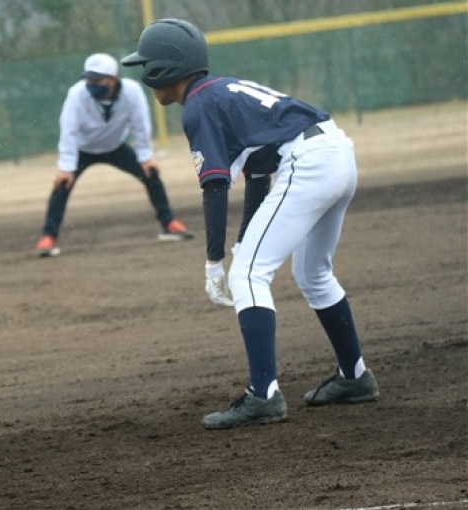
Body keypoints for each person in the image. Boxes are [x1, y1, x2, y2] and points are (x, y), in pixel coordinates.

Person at [121, 19, 379, 429]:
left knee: (247, 276)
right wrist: (243, 240)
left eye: (146, 65)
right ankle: (355, 377)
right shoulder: (220, 91)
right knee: (313, 273)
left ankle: (263, 396)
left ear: (164, 69)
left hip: (309, 164)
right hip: (336, 153)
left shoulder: (199, 105)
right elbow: (257, 173)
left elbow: (215, 186)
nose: (143, 75)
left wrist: (214, 261)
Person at [34, 52, 193, 257]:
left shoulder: (131, 92)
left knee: (151, 173)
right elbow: (68, 130)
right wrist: (66, 168)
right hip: (84, 149)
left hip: (115, 146)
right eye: (89, 79)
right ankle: (48, 237)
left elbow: (140, 125)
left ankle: (169, 224)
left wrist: (145, 156)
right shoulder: (77, 93)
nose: (91, 84)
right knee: (62, 185)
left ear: (112, 79)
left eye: (97, 79)